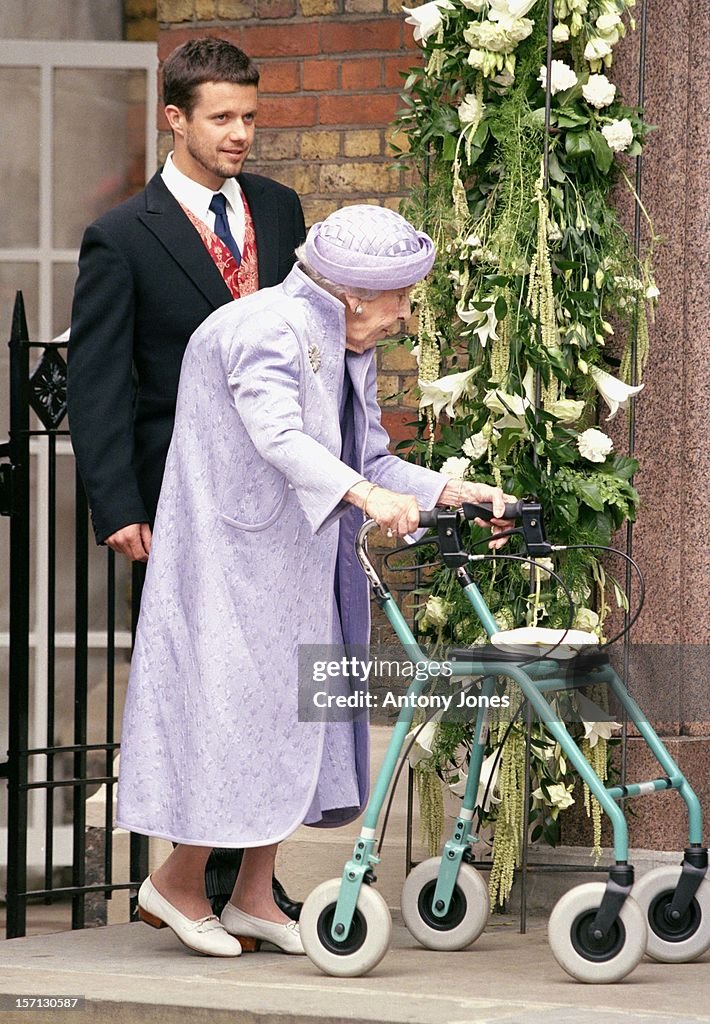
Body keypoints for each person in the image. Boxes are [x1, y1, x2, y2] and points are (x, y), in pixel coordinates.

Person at [114, 204, 515, 958]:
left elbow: (368, 461)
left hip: (302, 566)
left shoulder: (341, 343)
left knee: (300, 725)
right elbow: (281, 438)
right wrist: (368, 501)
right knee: (237, 724)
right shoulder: (265, 328)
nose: (405, 312)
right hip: (233, 569)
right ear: (357, 293)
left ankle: (253, 893)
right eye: (399, 296)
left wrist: (454, 493)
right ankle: (174, 883)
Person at [66, 37, 305, 921]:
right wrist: (117, 502)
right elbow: (99, 385)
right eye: (222, 118)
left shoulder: (280, 213)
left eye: (249, 116)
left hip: (276, 499)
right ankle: (184, 884)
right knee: (200, 684)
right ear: (176, 118)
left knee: (272, 682)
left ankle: (250, 888)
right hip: (179, 500)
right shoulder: (122, 236)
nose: (241, 133)